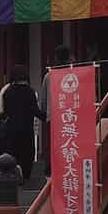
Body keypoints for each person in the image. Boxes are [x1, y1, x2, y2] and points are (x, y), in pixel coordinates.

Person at [0, 64, 45, 181]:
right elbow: (35, 111)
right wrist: (48, 117)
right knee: (27, 155)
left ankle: (14, 173)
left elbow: (3, 112)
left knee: (12, 153)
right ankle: (25, 177)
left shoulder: (8, 92)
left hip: (12, 130)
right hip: (26, 130)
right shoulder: (30, 92)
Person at [38, 44, 72, 179]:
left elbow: (44, 99)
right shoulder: (73, 74)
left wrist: (45, 113)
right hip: (71, 114)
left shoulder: (49, 75)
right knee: (70, 143)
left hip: (53, 115)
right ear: (69, 57)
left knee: (53, 144)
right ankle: (68, 167)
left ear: (56, 58)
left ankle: (51, 169)